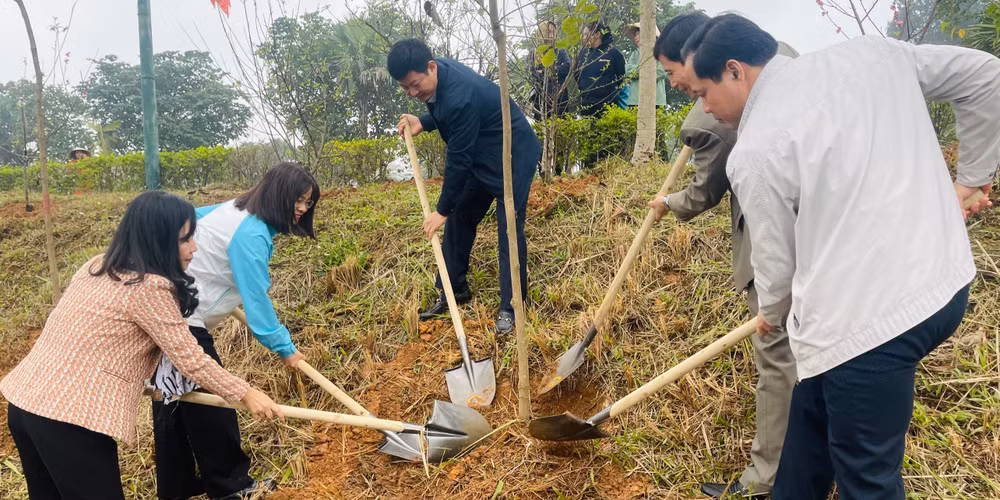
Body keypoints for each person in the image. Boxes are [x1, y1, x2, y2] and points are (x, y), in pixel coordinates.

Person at [680, 13, 996, 499]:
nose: (704, 108)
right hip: (945, 282)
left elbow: (776, 266)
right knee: (807, 441)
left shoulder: (756, 150)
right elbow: (984, 76)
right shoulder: (873, 54)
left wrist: (771, 312)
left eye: (702, 93)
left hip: (872, 324)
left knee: (866, 479)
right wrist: (971, 176)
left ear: (735, 70)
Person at [0, 191, 282, 500]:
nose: (194, 248)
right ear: (158, 240)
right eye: (185, 239)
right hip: (68, 417)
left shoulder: (97, 266)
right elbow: (192, 360)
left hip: (26, 402)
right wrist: (246, 393)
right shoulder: (150, 287)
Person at [646, 12, 799, 498]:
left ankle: (765, 481)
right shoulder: (783, 57)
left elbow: (704, 192)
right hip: (824, 236)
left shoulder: (711, 117)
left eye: (674, 74)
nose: (678, 85)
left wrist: (669, 203)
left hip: (780, 243)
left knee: (777, 354)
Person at [151, 162, 319, 500]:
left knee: (174, 398)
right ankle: (232, 488)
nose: (302, 209)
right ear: (279, 193)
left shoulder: (233, 209)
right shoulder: (252, 234)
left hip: (166, 312)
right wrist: (284, 348)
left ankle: (178, 486)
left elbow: (187, 221)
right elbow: (258, 302)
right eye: (298, 200)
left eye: (308, 203)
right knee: (215, 405)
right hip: (185, 319)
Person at [389, 38, 541, 336]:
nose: (412, 92)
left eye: (415, 84)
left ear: (431, 67)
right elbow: (445, 110)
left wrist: (440, 211)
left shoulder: (460, 96)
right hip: (483, 153)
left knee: (508, 226)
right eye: (405, 88)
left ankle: (512, 307)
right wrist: (423, 121)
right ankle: (453, 289)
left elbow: (458, 160)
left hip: (513, 155)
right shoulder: (439, 74)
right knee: (461, 216)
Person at [576, 21, 626, 118]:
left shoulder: (613, 53)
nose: (584, 38)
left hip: (608, 104)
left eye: (586, 34)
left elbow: (621, 77)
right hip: (586, 104)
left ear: (597, 34)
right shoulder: (583, 53)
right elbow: (577, 75)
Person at [528, 20, 571, 120]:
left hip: (560, 99)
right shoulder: (534, 54)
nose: (551, 36)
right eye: (548, 32)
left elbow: (566, 68)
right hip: (540, 100)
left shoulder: (560, 51)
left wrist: (543, 71)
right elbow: (532, 74)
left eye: (553, 32)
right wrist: (554, 73)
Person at [623, 22, 668, 109]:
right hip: (635, 100)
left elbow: (661, 71)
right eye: (635, 34)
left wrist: (639, 70)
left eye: (638, 34)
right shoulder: (635, 54)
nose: (635, 38)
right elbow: (628, 71)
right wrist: (648, 68)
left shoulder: (661, 53)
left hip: (656, 100)